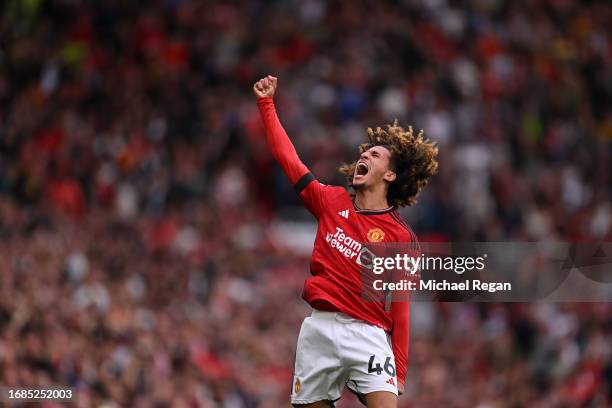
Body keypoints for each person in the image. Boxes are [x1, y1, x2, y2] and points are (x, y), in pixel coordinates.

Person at [254, 75, 438, 408]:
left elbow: (401, 307)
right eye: (365, 152)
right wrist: (266, 104)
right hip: (318, 330)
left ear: (391, 175)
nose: (364, 156)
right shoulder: (331, 201)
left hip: (367, 335)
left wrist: (400, 373)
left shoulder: (401, 236)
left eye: (376, 154)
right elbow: (288, 159)